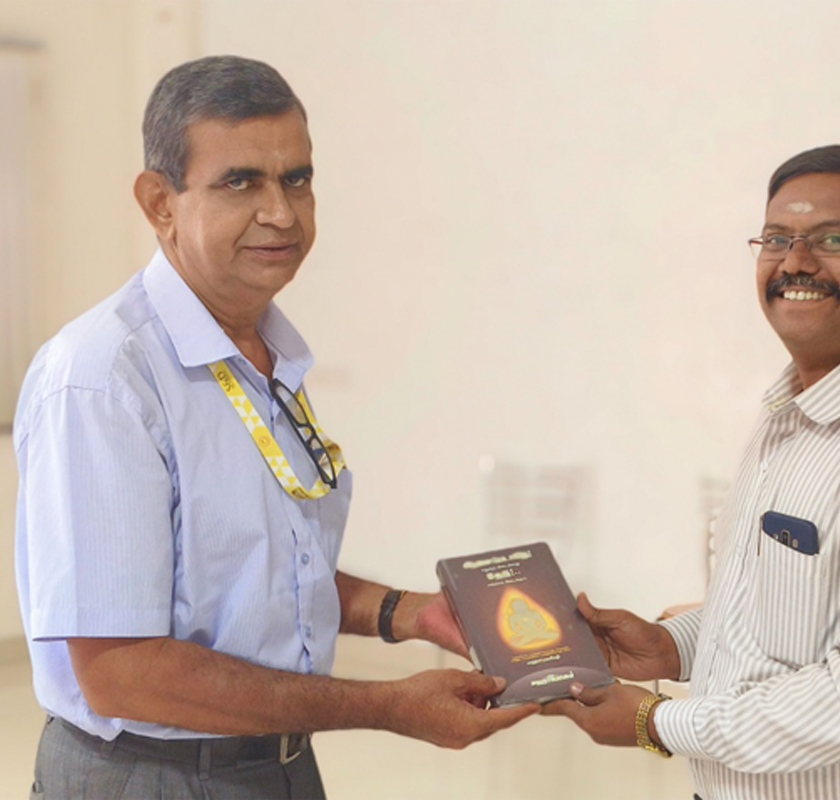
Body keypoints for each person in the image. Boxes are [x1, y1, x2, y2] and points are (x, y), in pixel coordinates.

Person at [13, 55, 535, 800]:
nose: (282, 213)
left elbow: (255, 574)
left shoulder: (267, 354)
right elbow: (121, 672)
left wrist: (410, 613)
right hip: (151, 776)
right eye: (240, 182)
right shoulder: (104, 378)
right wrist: (386, 707)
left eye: (297, 179)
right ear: (160, 203)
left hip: (277, 765)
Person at [543, 145, 840, 800]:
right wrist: (670, 647)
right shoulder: (786, 416)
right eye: (776, 239)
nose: (795, 261)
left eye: (833, 239)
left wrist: (656, 723)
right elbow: (776, 617)